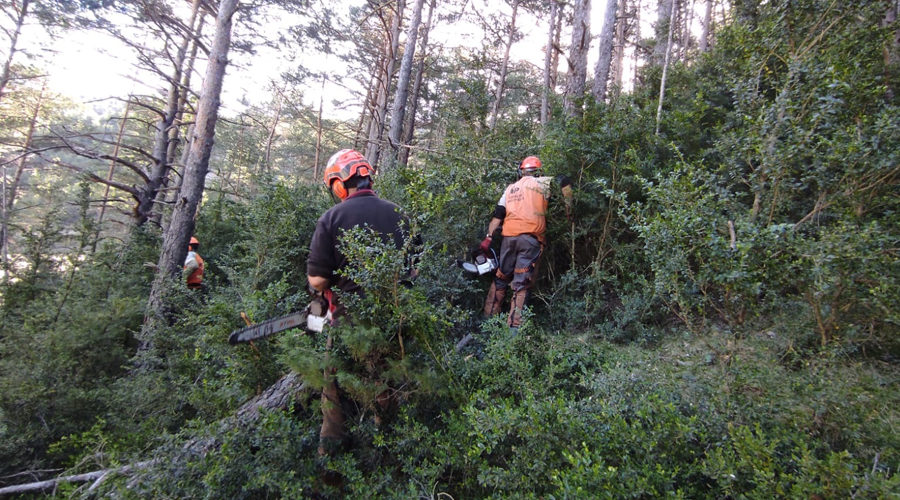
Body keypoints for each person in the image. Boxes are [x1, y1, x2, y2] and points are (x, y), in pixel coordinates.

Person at [306, 148, 416, 458]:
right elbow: (413, 269)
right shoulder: (400, 214)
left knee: (336, 400)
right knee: (389, 391)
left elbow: (317, 281)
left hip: (347, 324)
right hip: (393, 322)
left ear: (340, 183)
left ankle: (334, 466)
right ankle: (390, 457)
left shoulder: (332, 217)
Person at [481, 156, 572, 332]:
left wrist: (488, 238)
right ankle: (514, 331)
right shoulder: (543, 183)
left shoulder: (510, 189)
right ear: (538, 171)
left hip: (508, 239)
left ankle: (487, 324)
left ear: (521, 171)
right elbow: (565, 181)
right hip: (530, 239)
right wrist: (569, 210)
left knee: (500, 279)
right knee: (521, 284)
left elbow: (497, 216)